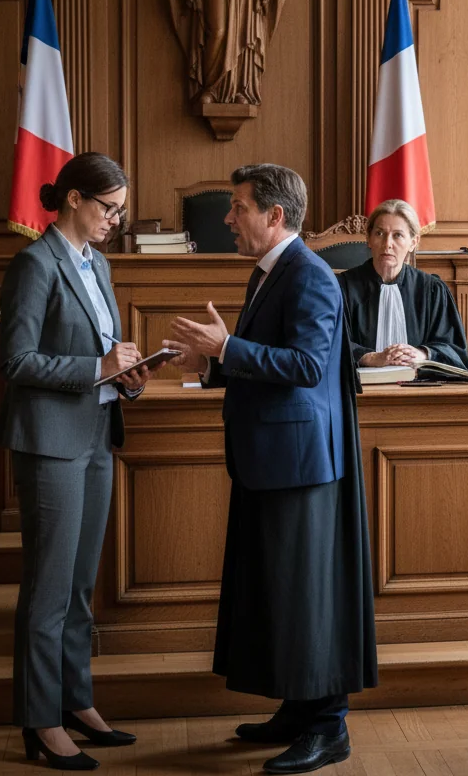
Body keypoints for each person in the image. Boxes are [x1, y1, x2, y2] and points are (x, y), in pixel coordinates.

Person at [165, 163, 377, 775]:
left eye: (238, 207)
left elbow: (308, 366)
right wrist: (212, 363)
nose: (228, 218)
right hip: (275, 458)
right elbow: (276, 359)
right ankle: (297, 709)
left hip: (302, 463)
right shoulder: (272, 271)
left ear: (274, 216)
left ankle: (327, 726)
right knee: (284, 594)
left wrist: (226, 348)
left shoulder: (308, 274)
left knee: (308, 595)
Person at [0, 153, 155, 770]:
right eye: (108, 208)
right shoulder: (34, 264)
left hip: (95, 436)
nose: (115, 220)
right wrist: (98, 368)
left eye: (119, 210)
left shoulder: (99, 263)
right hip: (49, 443)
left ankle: (74, 701)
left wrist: (128, 374)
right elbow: (16, 361)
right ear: (72, 200)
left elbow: (103, 351)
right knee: (48, 589)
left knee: (81, 587)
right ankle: (40, 721)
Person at [337, 199, 468, 370]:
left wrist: (422, 353)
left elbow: (456, 352)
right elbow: (329, 344)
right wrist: (371, 357)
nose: (387, 244)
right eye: (379, 233)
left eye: (398, 235)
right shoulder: (343, 288)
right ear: (368, 239)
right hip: (359, 391)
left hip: (418, 390)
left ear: (413, 242)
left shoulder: (432, 290)